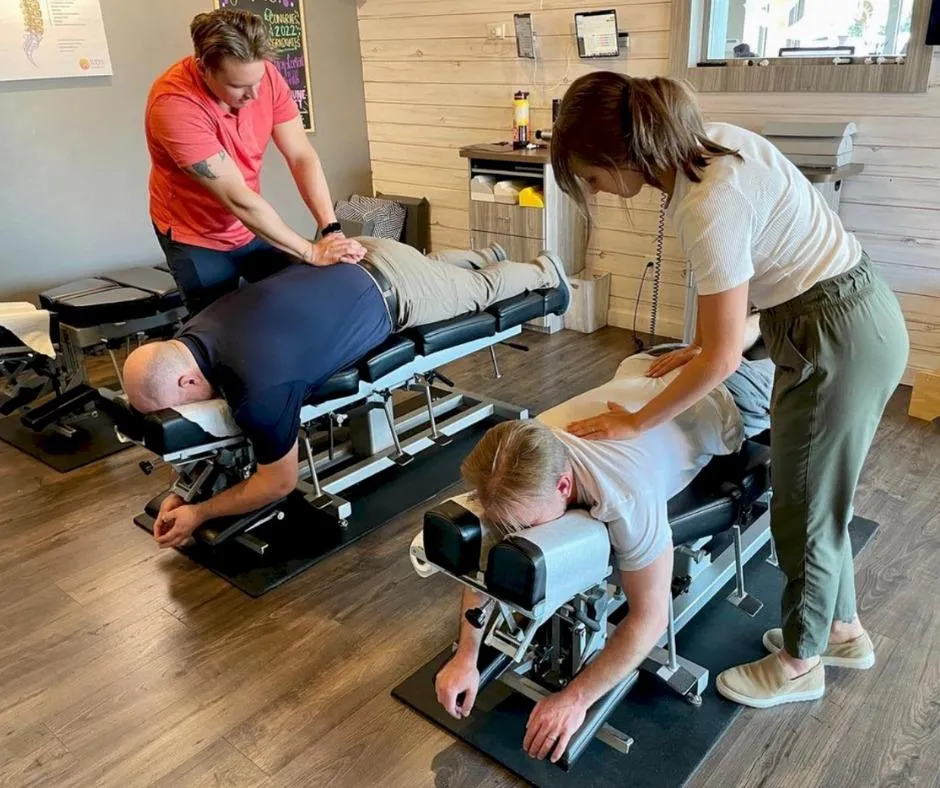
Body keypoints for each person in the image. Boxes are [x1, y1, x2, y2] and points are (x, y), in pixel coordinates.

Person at [548, 71, 909, 710]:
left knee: (803, 504)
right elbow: (746, 311)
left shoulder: (704, 201)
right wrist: (701, 348)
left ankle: (802, 663)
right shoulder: (712, 143)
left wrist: (636, 423)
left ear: (617, 156)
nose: (603, 194)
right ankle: (843, 631)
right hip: (835, 314)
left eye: (596, 179)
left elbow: (720, 360)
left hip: (833, 333)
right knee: (820, 493)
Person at [435, 322, 773, 763]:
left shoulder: (623, 491)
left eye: (524, 525)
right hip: (652, 364)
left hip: (731, 393)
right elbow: (487, 545)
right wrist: (467, 654)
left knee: (787, 347)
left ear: (562, 486)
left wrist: (574, 700)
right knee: (725, 337)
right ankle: (740, 329)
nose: (514, 535)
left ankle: (758, 322)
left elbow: (650, 618)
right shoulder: (522, 452)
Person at [122, 238, 569, 548]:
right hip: (358, 254)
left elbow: (277, 482)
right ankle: (482, 255)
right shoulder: (193, 329)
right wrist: (188, 496)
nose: (186, 416)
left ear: (185, 381)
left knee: (480, 292)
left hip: (399, 290)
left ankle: (543, 270)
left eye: (179, 410)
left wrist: (200, 513)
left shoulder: (259, 390)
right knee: (436, 268)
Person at [145, 9, 365, 314]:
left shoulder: (265, 78)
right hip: (196, 234)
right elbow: (237, 199)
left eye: (259, 80)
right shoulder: (175, 105)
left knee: (292, 303)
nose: (255, 93)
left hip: (250, 224)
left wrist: (331, 230)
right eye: (238, 86)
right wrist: (310, 252)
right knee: (219, 327)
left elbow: (301, 156)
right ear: (203, 69)